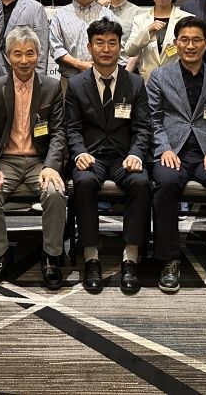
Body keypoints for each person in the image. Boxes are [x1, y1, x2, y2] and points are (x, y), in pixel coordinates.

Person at [147, 16, 206, 295]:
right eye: (185, 40)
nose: (190, 46)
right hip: (172, 151)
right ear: (176, 43)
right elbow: (154, 120)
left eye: (196, 40)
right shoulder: (159, 76)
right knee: (166, 183)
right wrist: (164, 148)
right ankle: (168, 260)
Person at [65, 18, 151, 294]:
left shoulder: (135, 83)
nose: (105, 49)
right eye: (99, 43)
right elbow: (71, 127)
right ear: (89, 47)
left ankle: (131, 258)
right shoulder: (76, 84)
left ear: (120, 47)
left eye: (112, 43)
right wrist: (79, 152)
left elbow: (142, 127)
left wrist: (136, 154)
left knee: (140, 183)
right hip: (91, 156)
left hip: (124, 156)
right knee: (84, 182)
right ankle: (91, 258)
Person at [0, 27, 67, 290]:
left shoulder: (51, 87)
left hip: (40, 161)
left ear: (39, 55)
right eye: (17, 54)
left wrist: (51, 166)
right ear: (7, 57)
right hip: (7, 161)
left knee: (55, 193)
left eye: (30, 53)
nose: (24, 60)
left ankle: (51, 256)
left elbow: (58, 132)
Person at [49, 0, 118, 82]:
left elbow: (116, 46)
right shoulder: (60, 15)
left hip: (103, 79)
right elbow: (56, 48)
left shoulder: (108, 15)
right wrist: (79, 64)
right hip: (69, 79)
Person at [124, 0, 193, 82]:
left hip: (177, 81)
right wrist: (148, 30)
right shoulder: (140, 19)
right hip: (148, 82)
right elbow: (130, 50)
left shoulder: (187, 19)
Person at [102, 0, 140, 65]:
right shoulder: (98, 10)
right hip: (99, 67)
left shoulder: (139, 13)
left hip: (127, 68)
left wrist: (127, 72)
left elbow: (139, 48)